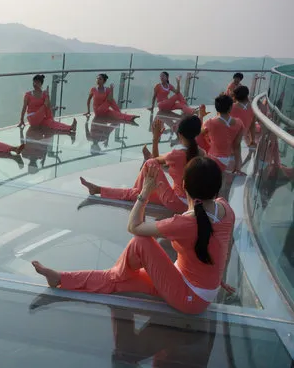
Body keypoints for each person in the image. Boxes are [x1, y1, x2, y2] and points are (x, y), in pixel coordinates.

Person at [33, 156, 235, 315]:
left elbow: (134, 226)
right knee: (119, 283)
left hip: (189, 296)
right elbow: (220, 248)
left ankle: (112, 274)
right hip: (194, 288)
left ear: (184, 185)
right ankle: (60, 278)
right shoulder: (226, 209)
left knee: (140, 243)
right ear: (217, 188)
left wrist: (145, 192)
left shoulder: (184, 223)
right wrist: (215, 277)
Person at [80, 116, 204, 213]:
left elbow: (155, 160)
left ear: (180, 134)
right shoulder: (202, 153)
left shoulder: (177, 155)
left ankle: (136, 191)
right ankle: (97, 189)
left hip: (175, 201)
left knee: (149, 163)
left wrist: (155, 139)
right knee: (138, 193)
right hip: (191, 203)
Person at [200, 94, 244, 173]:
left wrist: (201, 116)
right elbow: (237, 146)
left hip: (214, 159)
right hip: (230, 160)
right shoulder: (239, 123)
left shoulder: (210, 123)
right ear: (230, 107)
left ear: (216, 108)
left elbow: (198, 134)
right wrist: (238, 166)